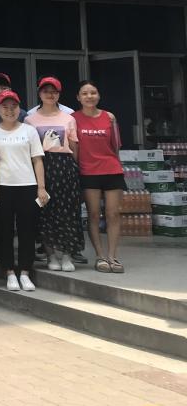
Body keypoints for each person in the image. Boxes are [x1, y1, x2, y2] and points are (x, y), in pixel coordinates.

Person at [0, 90, 47, 292]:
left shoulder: (29, 131)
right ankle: (9, 271)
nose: (9, 111)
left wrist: (41, 187)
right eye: (5, 107)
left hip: (27, 186)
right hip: (1, 187)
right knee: (4, 231)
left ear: (19, 109)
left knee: (27, 230)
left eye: (13, 107)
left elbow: (37, 160)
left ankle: (25, 272)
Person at [25, 77, 82, 273]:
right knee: (45, 212)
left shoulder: (68, 118)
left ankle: (66, 254)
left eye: (54, 91)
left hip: (64, 167)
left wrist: (74, 168)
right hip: (41, 166)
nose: (50, 95)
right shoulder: (30, 119)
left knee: (67, 212)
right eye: (46, 91)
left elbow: (74, 147)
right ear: (39, 93)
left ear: (59, 94)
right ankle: (50, 255)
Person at [73, 80, 126, 274]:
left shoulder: (109, 117)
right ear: (78, 97)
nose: (89, 96)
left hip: (111, 170)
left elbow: (116, 145)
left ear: (99, 95)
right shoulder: (73, 119)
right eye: (85, 93)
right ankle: (100, 256)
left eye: (93, 92)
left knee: (113, 214)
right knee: (93, 214)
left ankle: (113, 256)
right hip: (88, 172)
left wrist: (118, 166)